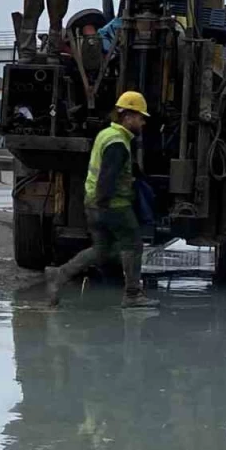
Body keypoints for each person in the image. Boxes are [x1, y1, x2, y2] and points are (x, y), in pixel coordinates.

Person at [45, 91, 159, 308]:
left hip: (94, 203)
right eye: (140, 117)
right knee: (133, 244)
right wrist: (105, 203)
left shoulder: (107, 134)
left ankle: (59, 275)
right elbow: (108, 176)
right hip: (113, 204)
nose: (143, 122)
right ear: (127, 116)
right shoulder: (117, 143)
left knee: (101, 249)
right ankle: (133, 294)